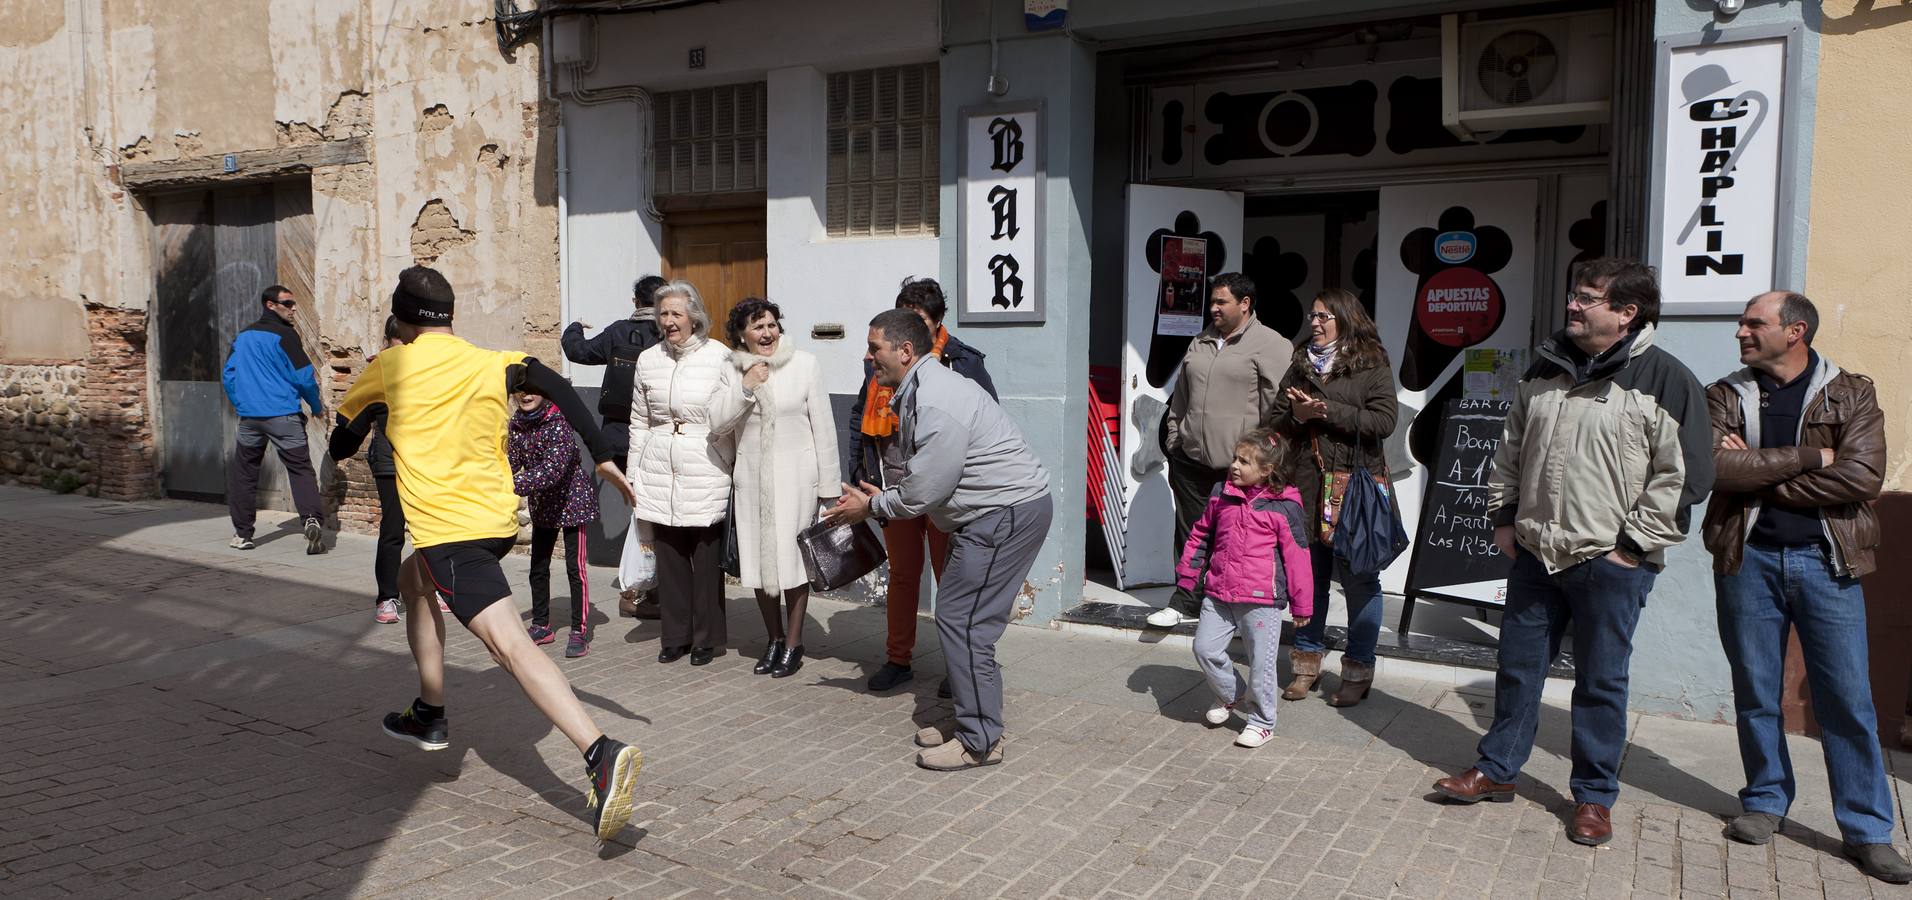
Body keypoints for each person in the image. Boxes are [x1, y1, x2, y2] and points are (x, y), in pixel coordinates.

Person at [328, 265, 643, 842]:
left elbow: (341, 442)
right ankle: (429, 709)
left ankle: (599, 750)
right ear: (450, 318)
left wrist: (371, 414)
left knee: (510, 647)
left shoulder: (387, 368)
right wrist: (599, 453)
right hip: (495, 522)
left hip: (451, 534)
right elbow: (561, 385)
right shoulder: (492, 361)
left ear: (398, 319)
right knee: (410, 581)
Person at [1433, 258, 1713, 849]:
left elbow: (1685, 476)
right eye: (1574, 295)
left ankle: (1592, 796)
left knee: (1601, 682)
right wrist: (1504, 515)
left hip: (1609, 562)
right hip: (1538, 554)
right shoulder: (1547, 366)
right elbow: (1511, 446)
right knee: (1517, 667)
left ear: (1626, 313)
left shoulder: (1666, 377)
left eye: (1587, 298)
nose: (1573, 306)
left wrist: (1631, 548)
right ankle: (1497, 771)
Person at [1702, 291, 1910, 883]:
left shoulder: (1852, 390)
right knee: (1756, 690)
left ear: (1795, 332)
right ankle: (1766, 800)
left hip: (1827, 561)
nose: (1740, 331)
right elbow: (1713, 468)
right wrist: (1809, 456)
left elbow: (1862, 478)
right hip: (1748, 559)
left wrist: (1761, 474)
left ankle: (1869, 830)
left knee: (1847, 699)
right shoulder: (1724, 393)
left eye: (1753, 323)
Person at [826, 309, 1053, 772]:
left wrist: (873, 506)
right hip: (993, 514)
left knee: (964, 621)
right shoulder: (921, 388)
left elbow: (929, 488)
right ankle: (974, 719)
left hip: (1002, 515)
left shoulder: (934, 398)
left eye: (875, 348)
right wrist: (887, 496)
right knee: (960, 618)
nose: (868, 357)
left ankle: (981, 740)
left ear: (905, 351)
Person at [851, 277, 999, 694]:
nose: (910, 328)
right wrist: (857, 469)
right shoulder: (878, 363)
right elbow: (859, 417)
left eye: (920, 320)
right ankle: (898, 658)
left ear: (938, 322)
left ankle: (960, 665)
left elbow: (984, 420)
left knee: (949, 576)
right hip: (892, 483)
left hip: (944, 490)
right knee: (902, 574)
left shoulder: (963, 363)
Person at [1266, 289, 1398, 707]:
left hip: (1354, 488)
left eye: (1324, 316)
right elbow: (1272, 418)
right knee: (1310, 580)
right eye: (1313, 316)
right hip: (1306, 485)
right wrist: (1294, 416)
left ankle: (1358, 669)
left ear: (1346, 319)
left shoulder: (1371, 362)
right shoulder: (1301, 363)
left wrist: (1325, 411)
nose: (1315, 323)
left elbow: (1384, 420)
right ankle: (1306, 665)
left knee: (1360, 581)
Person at [1151, 272, 1291, 628]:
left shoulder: (1270, 344)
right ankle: (1185, 601)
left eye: (1221, 302)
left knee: (1238, 540)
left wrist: (1262, 457)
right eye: (1212, 301)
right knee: (1190, 533)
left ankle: (1237, 609)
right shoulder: (1200, 341)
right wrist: (1174, 437)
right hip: (1191, 459)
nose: (1213, 308)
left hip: (1240, 467)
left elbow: (1281, 406)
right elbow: (1181, 396)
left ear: (1245, 304)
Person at [627, 281, 750, 666]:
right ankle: (674, 636)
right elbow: (638, 421)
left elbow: (732, 415)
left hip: (705, 462)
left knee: (705, 555)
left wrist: (728, 461)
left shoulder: (720, 357)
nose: (668, 321)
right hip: (660, 465)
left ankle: (705, 638)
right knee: (669, 555)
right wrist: (634, 472)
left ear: (694, 316)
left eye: (676, 313)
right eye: (663, 314)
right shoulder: (648, 359)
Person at [724, 297, 842, 679]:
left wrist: (828, 489)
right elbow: (717, 423)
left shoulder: (804, 364)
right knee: (759, 562)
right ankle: (772, 638)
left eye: (772, 324)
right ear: (742, 334)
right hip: (752, 477)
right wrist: (745, 386)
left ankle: (793, 643)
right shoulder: (731, 368)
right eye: (757, 326)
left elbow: (823, 427)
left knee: (793, 563)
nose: (767, 333)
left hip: (797, 476)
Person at [1176, 428, 1313, 749]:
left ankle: (1262, 722)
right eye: (1235, 459)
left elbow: (1297, 555)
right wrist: (1187, 576)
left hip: (1261, 600)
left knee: (1261, 665)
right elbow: (1200, 536)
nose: (1235, 466)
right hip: (1219, 592)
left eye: (1244, 461)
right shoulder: (1220, 495)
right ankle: (1232, 694)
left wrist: (1302, 604)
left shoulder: (1283, 506)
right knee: (1204, 649)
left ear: (1266, 471)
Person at [564, 274, 668, 621]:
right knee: (655, 509)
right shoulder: (670, 336)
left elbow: (578, 351)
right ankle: (644, 589)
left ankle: (639, 588)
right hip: (660, 438)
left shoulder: (618, 332)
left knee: (640, 508)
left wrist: (574, 327)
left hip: (619, 436)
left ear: (634, 301)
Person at [221, 284, 328, 554]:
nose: (294, 309)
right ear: (270, 305)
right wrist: (315, 405)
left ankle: (242, 534)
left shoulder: (243, 336)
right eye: (288, 304)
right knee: (300, 469)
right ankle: (312, 520)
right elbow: (304, 377)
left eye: (294, 304)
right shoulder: (285, 336)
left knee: (245, 474)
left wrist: (241, 403)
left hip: (250, 419)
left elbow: (229, 376)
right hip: (283, 416)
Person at [508, 390, 601, 659]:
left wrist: (511, 485)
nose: (526, 395)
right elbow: (511, 462)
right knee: (538, 566)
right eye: (520, 390)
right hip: (544, 505)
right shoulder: (516, 425)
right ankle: (541, 625)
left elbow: (553, 469)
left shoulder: (558, 422)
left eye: (533, 389)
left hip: (573, 501)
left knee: (575, 568)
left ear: (546, 393)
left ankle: (579, 631)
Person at [370, 317, 407, 624]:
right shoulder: (378, 368)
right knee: (393, 529)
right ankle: (387, 596)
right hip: (389, 459)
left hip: (422, 460)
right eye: (396, 342)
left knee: (432, 528)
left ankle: (437, 588)